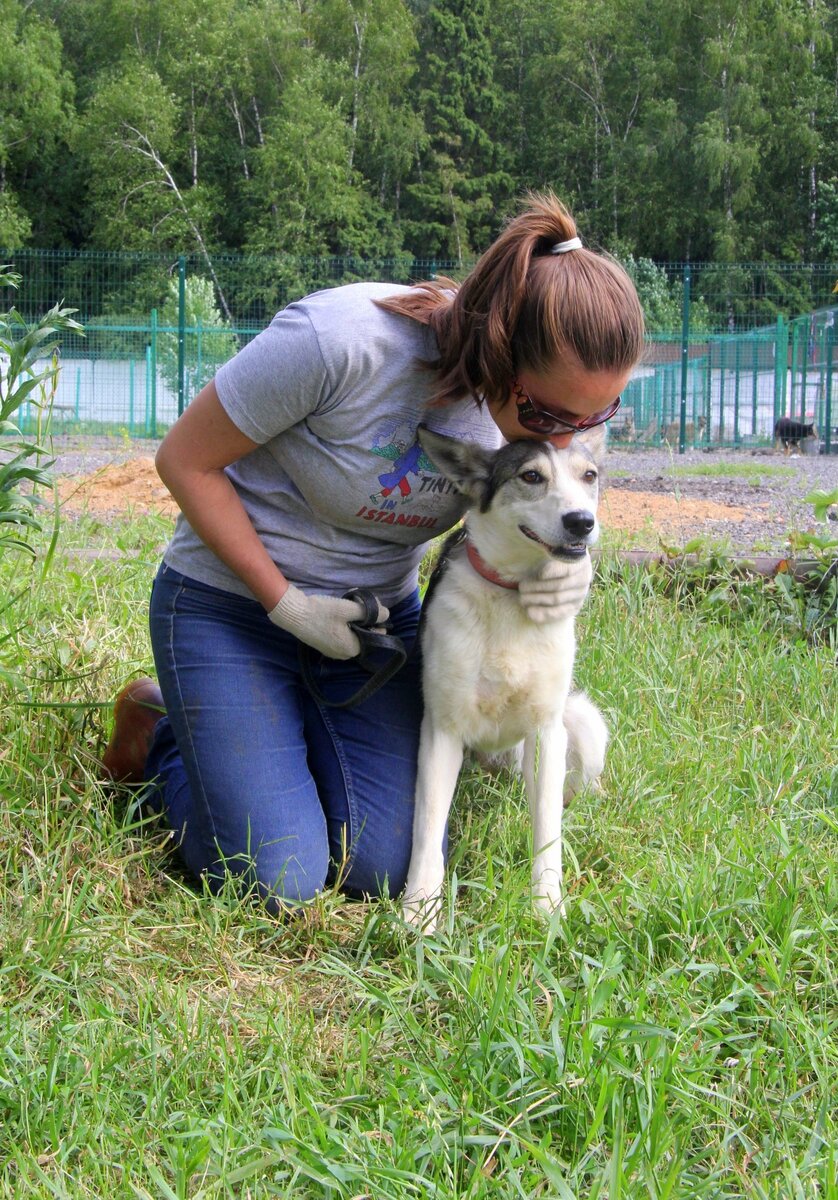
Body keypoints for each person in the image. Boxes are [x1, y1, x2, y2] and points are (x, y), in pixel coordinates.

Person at [102, 192, 645, 910]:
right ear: (499, 344)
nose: (566, 439)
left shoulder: (539, 428)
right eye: (547, 415)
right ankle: (162, 737)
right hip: (230, 606)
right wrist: (286, 604)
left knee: (384, 867)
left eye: (593, 418)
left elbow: (530, 524)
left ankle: (276, 746)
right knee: (274, 876)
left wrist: (563, 574)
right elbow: (184, 462)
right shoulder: (341, 341)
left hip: (371, 627)